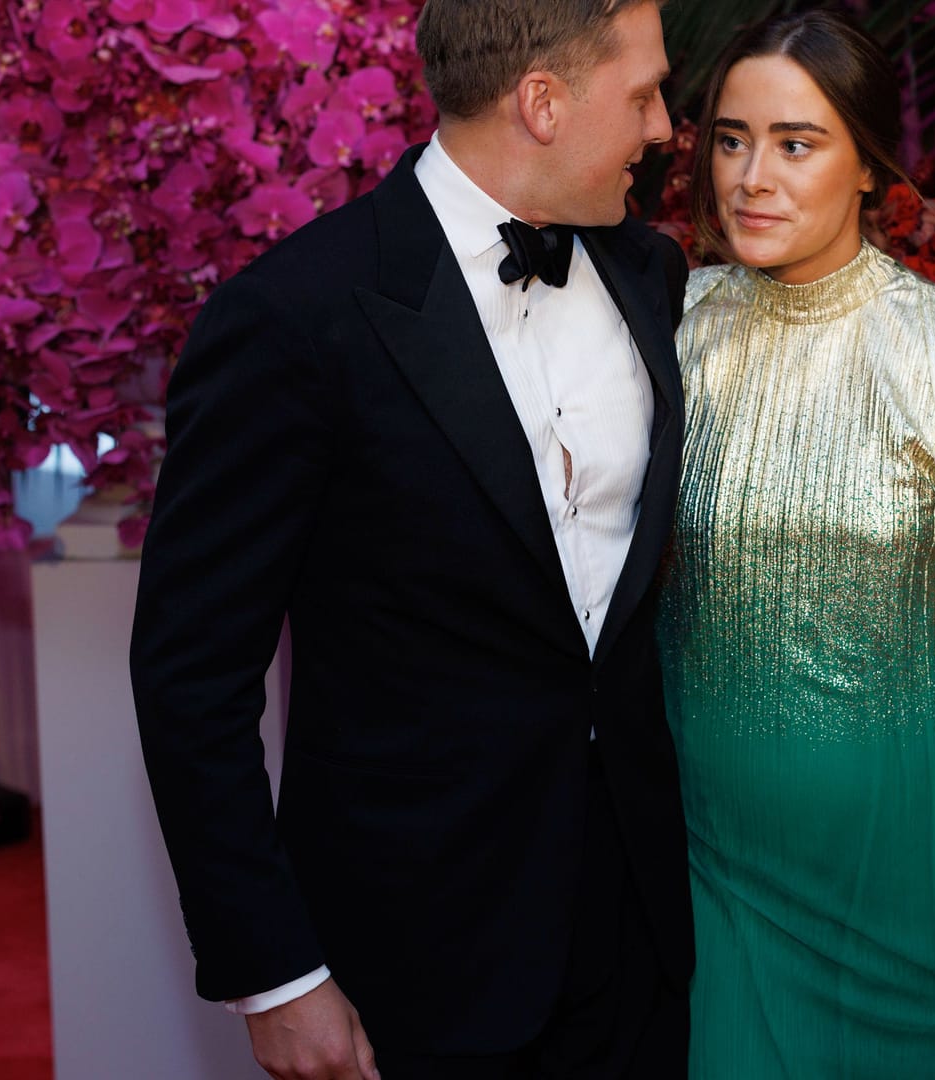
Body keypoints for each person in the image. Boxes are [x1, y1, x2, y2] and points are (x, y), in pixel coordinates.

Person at [128, 2, 692, 1076]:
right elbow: (189, 678)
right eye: (643, 93)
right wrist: (276, 974)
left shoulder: (648, 276)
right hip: (420, 959)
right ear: (543, 103)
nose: (664, 126)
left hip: (641, 935)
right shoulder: (292, 320)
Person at [659, 10, 935, 1077]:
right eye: (730, 138)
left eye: (795, 143)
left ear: (868, 162)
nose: (751, 176)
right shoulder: (669, 335)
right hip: (720, 871)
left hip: (921, 874)